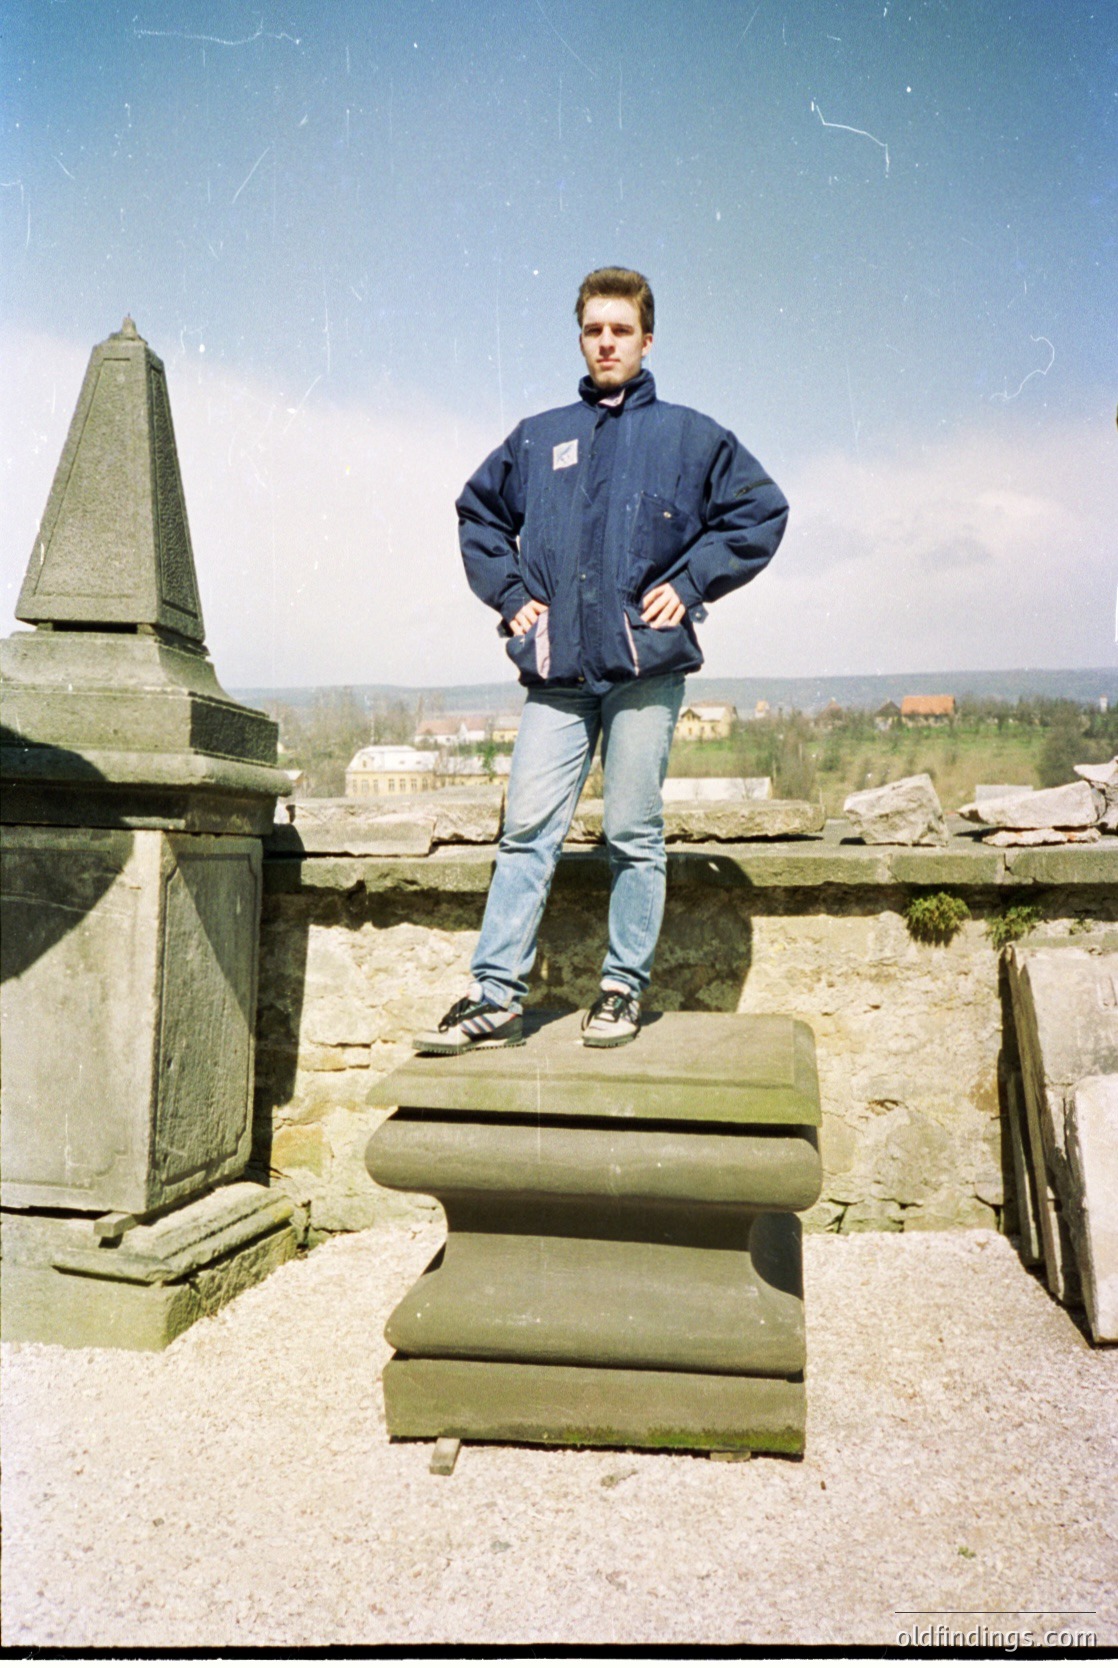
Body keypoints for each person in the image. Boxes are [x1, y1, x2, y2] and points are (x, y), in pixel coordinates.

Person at [413, 266, 788, 1054]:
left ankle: (621, 988)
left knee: (633, 831)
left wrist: (688, 583)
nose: (606, 342)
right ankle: (494, 997)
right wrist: (511, 595)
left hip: (644, 667)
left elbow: (760, 511)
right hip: (557, 673)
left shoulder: (690, 435)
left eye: (621, 330)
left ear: (647, 340)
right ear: (581, 338)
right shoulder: (539, 435)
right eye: (594, 330)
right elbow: (478, 513)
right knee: (525, 832)